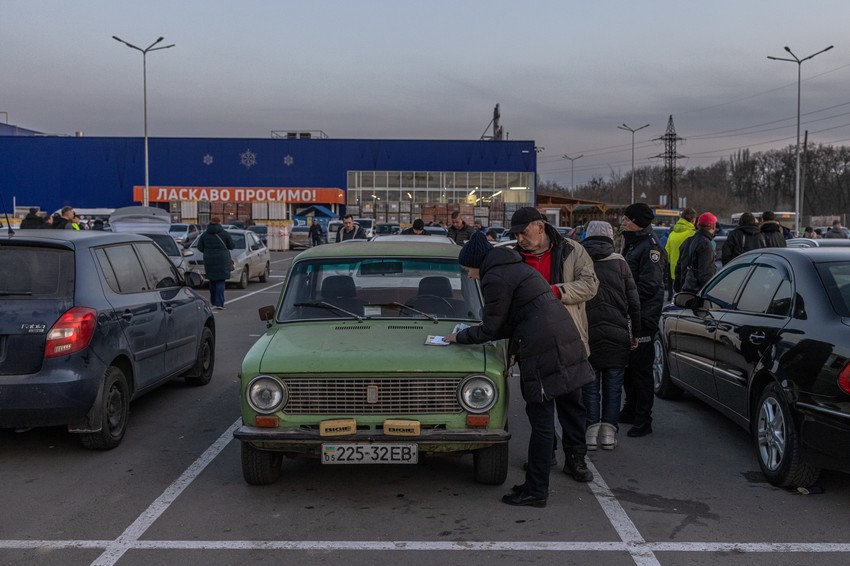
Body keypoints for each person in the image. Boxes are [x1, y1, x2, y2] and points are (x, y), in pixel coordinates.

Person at [444, 232, 594, 507]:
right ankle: (538, 483)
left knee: (541, 420)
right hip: (561, 341)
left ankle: (536, 490)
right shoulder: (514, 268)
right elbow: (511, 319)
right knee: (554, 416)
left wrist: (459, 337)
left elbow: (492, 326)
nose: (469, 276)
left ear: (477, 263)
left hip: (543, 349)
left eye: (467, 270)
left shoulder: (495, 277)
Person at [507, 206, 598, 482]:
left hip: (567, 340)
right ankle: (545, 454)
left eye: (523, 232)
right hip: (531, 344)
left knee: (572, 405)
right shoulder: (514, 257)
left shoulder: (571, 250)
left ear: (540, 226)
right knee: (538, 406)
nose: (520, 238)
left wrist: (557, 292)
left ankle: (576, 458)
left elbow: (591, 284)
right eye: (516, 234)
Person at [580, 221, 640, 451]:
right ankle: (608, 434)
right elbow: (634, 303)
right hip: (618, 335)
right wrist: (636, 332)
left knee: (590, 385)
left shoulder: (580, 259)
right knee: (614, 386)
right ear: (610, 237)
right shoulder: (621, 263)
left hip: (588, 333)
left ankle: (590, 432)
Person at [619, 203, 667, 438]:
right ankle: (630, 408)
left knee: (640, 369)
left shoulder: (650, 249)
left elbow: (649, 286)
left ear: (638, 222)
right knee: (628, 367)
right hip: (629, 315)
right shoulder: (632, 243)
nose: (624, 223)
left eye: (627, 219)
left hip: (643, 317)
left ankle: (643, 419)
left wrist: (624, 295)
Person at [196, 217, 235, 311]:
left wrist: (208, 251)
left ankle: (213, 300)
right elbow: (232, 246)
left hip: (209, 259)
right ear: (219, 222)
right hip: (222, 259)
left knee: (212, 280)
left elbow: (199, 247)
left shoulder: (205, 235)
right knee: (220, 281)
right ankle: (220, 303)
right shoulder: (224, 234)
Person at [675, 212, 718, 294]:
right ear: (713, 226)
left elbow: (679, 266)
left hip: (685, 288)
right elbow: (706, 273)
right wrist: (707, 292)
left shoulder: (688, 241)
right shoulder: (705, 244)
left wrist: (678, 287)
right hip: (696, 291)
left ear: (698, 225)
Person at [665, 208, 696, 299]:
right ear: (692, 220)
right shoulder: (692, 234)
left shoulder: (672, 234)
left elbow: (667, 253)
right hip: (687, 272)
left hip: (674, 272)